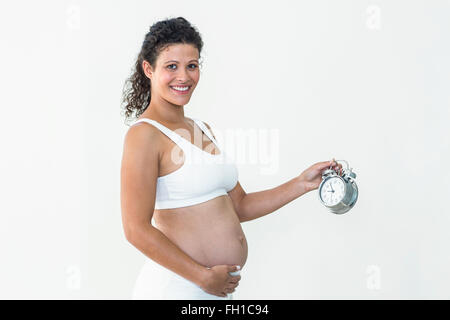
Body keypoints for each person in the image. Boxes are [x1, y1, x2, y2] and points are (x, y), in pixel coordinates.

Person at [120, 17, 343, 300]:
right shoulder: (144, 136)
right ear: (149, 69)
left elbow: (240, 205)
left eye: (192, 65)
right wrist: (202, 276)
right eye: (171, 66)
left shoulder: (201, 130)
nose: (184, 77)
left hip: (212, 290)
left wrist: (301, 183)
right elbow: (135, 229)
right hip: (177, 288)